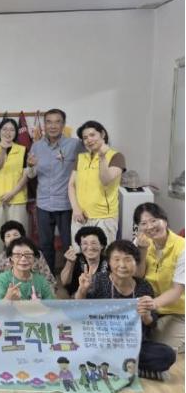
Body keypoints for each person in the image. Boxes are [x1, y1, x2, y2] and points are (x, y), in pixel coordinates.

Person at [75, 240, 176, 381]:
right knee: (76, 350)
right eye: (116, 259)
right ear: (109, 262)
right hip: (100, 343)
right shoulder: (98, 280)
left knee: (166, 355)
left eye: (128, 259)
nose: (122, 265)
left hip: (133, 345)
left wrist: (146, 315)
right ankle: (131, 368)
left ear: (136, 263)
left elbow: (151, 323)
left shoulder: (144, 286)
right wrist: (82, 290)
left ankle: (112, 367)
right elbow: (79, 311)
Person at [27, 109, 82, 273]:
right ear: (44, 125)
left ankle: (71, 282)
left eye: (57, 122)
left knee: (69, 245)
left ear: (63, 125)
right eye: (49, 122)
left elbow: (88, 166)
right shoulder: (36, 146)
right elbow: (31, 174)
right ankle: (48, 279)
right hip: (43, 204)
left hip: (66, 204)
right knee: (45, 245)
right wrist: (30, 167)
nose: (53, 126)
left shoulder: (75, 145)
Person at [133, 202, 185, 353]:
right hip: (150, 307)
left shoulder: (182, 248)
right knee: (136, 338)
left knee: (159, 346)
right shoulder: (141, 242)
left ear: (165, 220)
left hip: (177, 310)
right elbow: (138, 275)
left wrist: (151, 304)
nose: (149, 227)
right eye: (143, 223)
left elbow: (176, 291)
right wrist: (142, 250)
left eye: (154, 220)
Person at [68, 120, 125, 248]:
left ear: (102, 134)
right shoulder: (81, 158)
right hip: (80, 216)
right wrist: (76, 209)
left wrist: (102, 157)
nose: (89, 140)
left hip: (104, 218)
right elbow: (71, 185)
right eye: (85, 138)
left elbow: (106, 179)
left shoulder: (116, 156)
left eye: (92, 135)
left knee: (102, 255)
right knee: (79, 254)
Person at [0, 118, 29, 270]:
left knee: (18, 238)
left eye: (11, 129)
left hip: (17, 199)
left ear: (16, 132)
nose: (8, 132)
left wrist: (12, 192)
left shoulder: (23, 150)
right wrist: (3, 149)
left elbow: (26, 175)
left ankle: (20, 269)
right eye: (4, 129)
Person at [0, 220, 56, 292]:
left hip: (35, 293)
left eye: (15, 235)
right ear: (4, 241)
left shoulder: (36, 254)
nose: (12, 238)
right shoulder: (0, 258)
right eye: (8, 236)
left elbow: (49, 280)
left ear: (22, 237)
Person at [60, 226, 108, 296]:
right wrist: (70, 263)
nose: (90, 247)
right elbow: (64, 282)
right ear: (81, 246)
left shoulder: (109, 262)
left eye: (93, 243)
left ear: (102, 246)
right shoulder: (75, 259)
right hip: (79, 299)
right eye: (85, 243)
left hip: (105, 301)